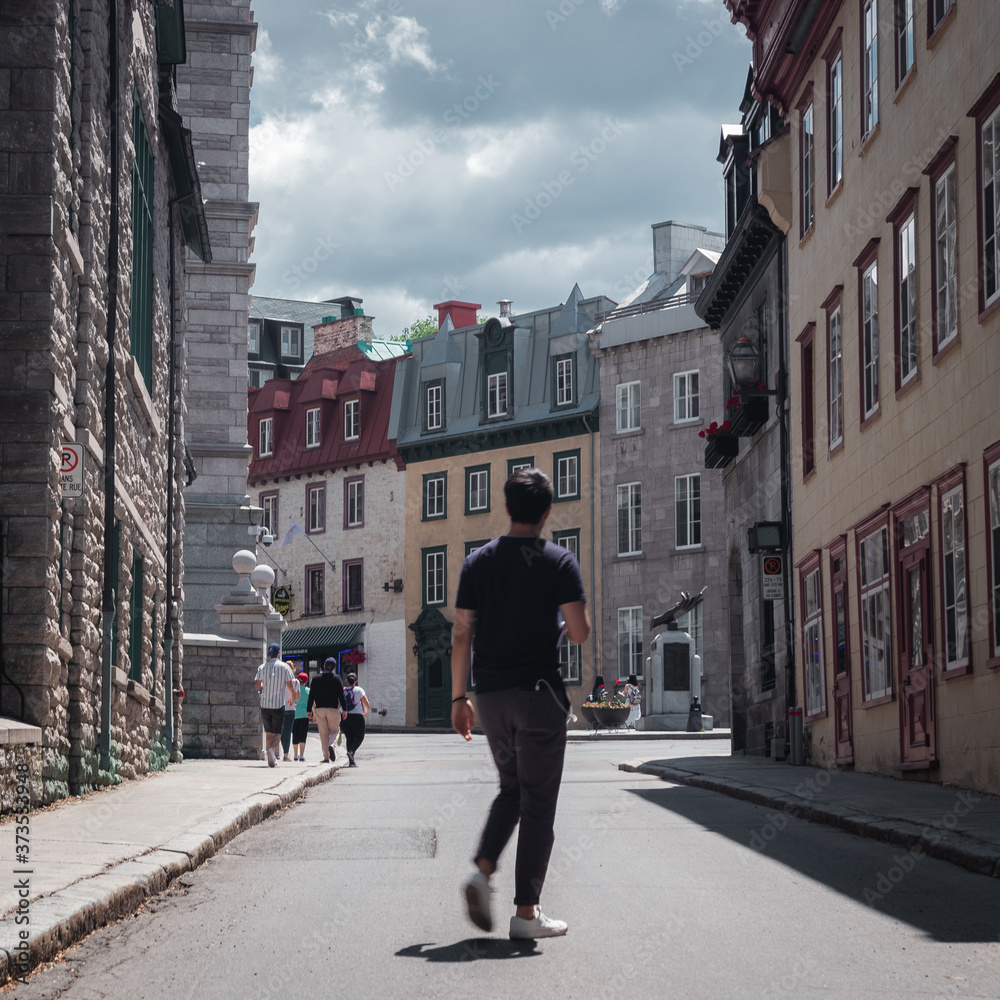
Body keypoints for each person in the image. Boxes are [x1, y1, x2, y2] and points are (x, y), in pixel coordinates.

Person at [452, 467, 590, 941]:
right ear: (547, 513)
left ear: (507, 508)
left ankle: (481, 871)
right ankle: (526, 915)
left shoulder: (478, 562)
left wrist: (458, 697)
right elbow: (578, 631)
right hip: (538, 697)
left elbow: (461, 632)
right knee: (538, 804)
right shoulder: (558, 561)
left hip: (490, 697)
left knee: (511, 788)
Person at [255, 643, 297, 768]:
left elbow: (257, 685)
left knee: (269, 731)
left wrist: (263, 688)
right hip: (278, 704)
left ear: (269, 653)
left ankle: (271, 756)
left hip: (265, 704)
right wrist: (292, 697)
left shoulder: (262, 667)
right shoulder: (285, 667)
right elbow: (290, 684)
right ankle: (272, 750)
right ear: (278, 653)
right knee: (278, 732)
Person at [306, 658, 348, 763]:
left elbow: (311, 695)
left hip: (319, 709)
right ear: (334, 668)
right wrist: (345, 709)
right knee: (334, 731)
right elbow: (341, 696)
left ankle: (326, 757)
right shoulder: (337, 679)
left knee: (323, 733)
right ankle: (331, 745)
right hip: (333, 708)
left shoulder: (315, 678)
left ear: (324, 665)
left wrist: (309, 710)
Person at [341, 671, 370, 767]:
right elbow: (366, 702)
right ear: (355, 681)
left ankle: (351, 761)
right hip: (357, 716)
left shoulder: (343, 690)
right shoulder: (358, 690)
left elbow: (338, 704)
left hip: (345, 716)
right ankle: (351, 752)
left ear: (346, 681)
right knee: (359, 737)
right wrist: (366, 711)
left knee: (349, 737)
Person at [280, 663, 301, 761]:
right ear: (293, 669)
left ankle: (284, 751)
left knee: (281, 732)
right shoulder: (296, 682)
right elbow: (297, 698)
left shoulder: (280, 681)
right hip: (291, 708)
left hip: (280, 707)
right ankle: (286, 754)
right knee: (288, 732)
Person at [292, 672, 310, 761]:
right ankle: (302, 755)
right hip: (304, 715)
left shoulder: (294, 690)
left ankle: (295, 755)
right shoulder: (308, 690)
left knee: (295, 735)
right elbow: (313, 704)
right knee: (303, 735)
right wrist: (314, 714)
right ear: (306, 681)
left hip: (294, 715)